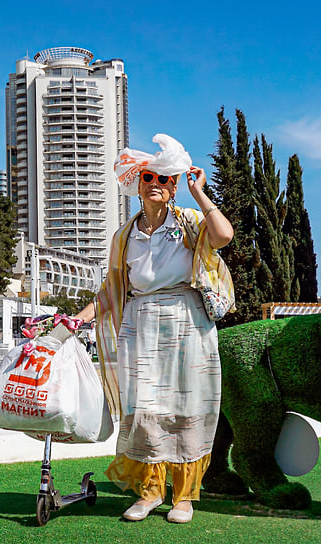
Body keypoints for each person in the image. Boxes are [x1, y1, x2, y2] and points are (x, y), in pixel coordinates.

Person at [74, 134, 234, 524]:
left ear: (174, 185)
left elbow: (224, 236)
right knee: (144, 408)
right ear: (137, 184)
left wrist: (200, 193)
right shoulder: (124, 236)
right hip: (141, 324)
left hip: (187, 321)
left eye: (164, 180)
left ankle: (183, 497)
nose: (156, 185)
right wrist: (77, 319)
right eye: (149, 178)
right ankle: (149, 491)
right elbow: (112, 289)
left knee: (186, 408)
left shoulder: (191, 221)